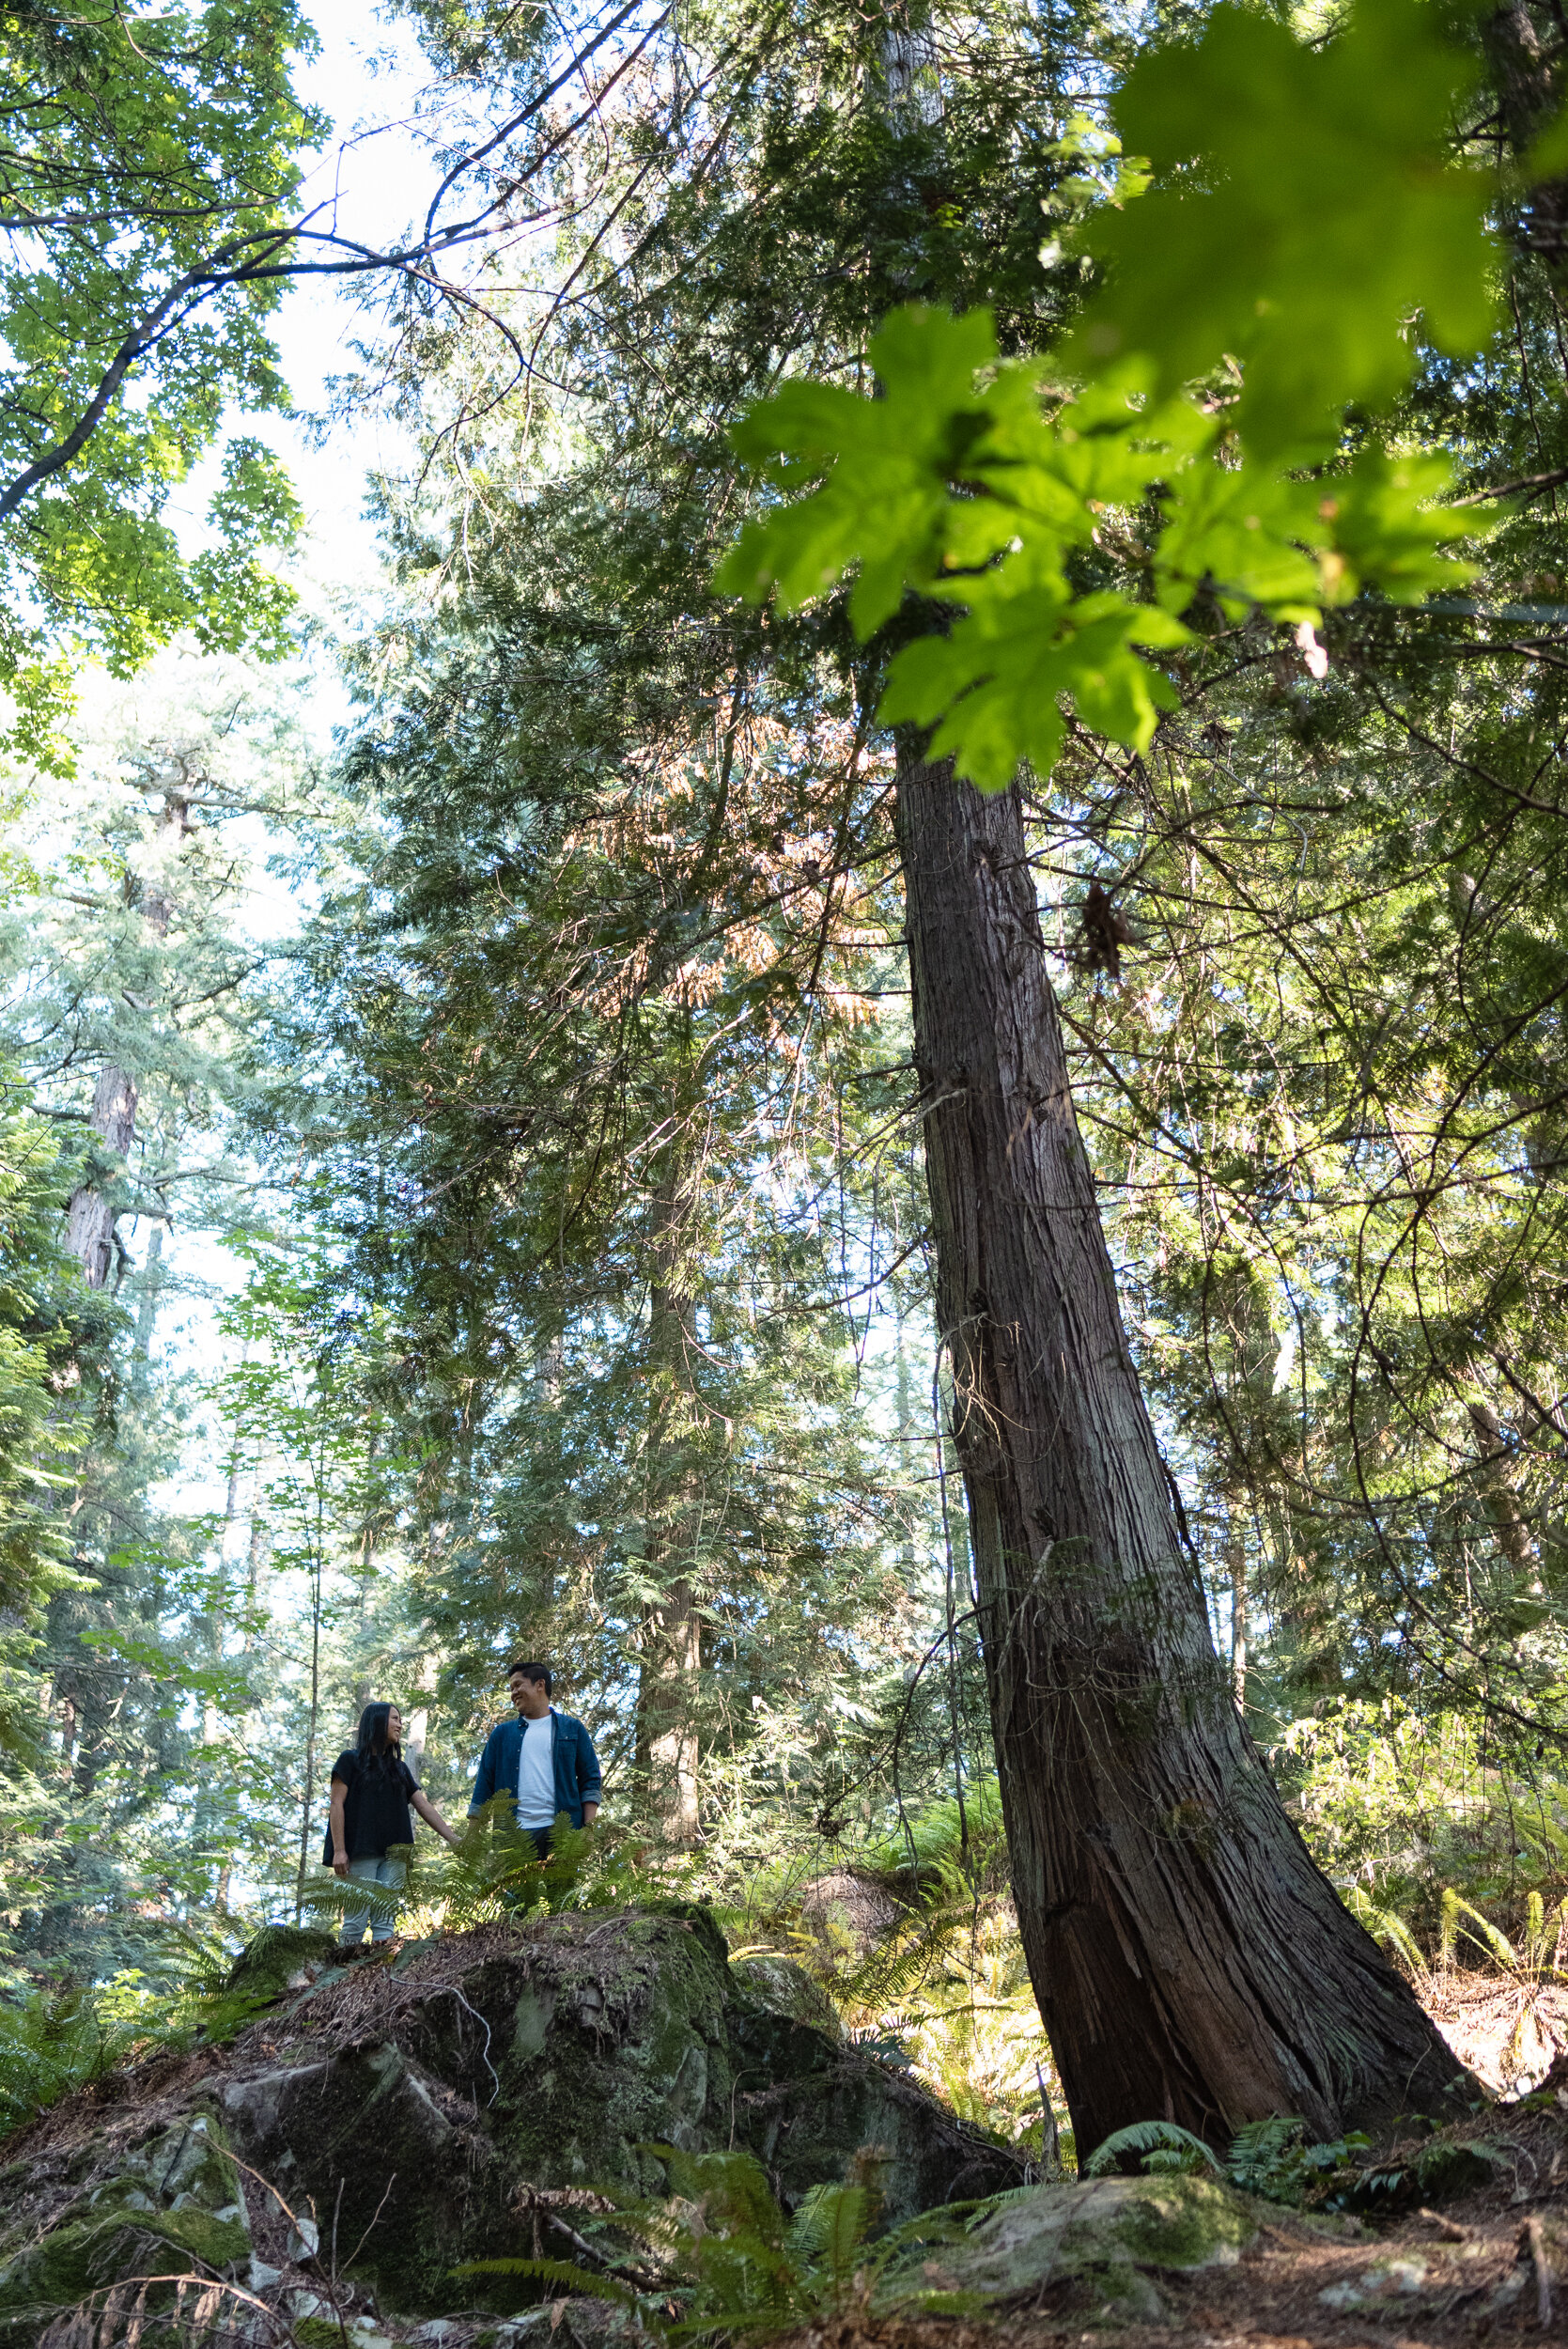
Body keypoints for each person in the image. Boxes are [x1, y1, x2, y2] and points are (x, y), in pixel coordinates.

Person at [326, 1701, 460, 1950]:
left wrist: (453, 1839)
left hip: (395, 1855)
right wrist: (339, 1850)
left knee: (385, 1919)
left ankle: (381, 1975)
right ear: (376, 1721)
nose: (400, 1724)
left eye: (400, 1720)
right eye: (395, 1719)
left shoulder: (400, 1769)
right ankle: (342, 1978)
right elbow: (336, 1805)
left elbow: (424, 1806)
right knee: (355, 1920)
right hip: (360, 1850)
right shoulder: (349, 1761)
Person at [466, 1658, 602, 1861]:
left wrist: (589, 1830)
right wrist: (472, 1836)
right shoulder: (502, 1735)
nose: (513, 1693)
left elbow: (589, 1779)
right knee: (514, 1893)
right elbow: (484, 1785)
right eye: (511, 1688)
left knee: (561, 1893)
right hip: (513, 1836)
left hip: (564, 1833)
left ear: (540, 1685)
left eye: (518, 1685)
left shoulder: (572, 1729)